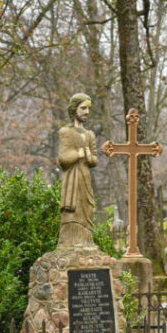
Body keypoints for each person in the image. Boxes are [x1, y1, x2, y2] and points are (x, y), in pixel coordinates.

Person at [58, 93, 99, 247]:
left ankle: (86, 242)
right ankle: (69, 244)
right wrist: (78, 154)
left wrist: (89, 157)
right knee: (72, 211)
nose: (86, 112)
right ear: (74, 109)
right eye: (83, 108)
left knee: (87, 209)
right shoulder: (65, 132)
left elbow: (95, 159)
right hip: (72, 180)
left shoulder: (89, 134)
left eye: (88, 108)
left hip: (85, 178)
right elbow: (63, 159)